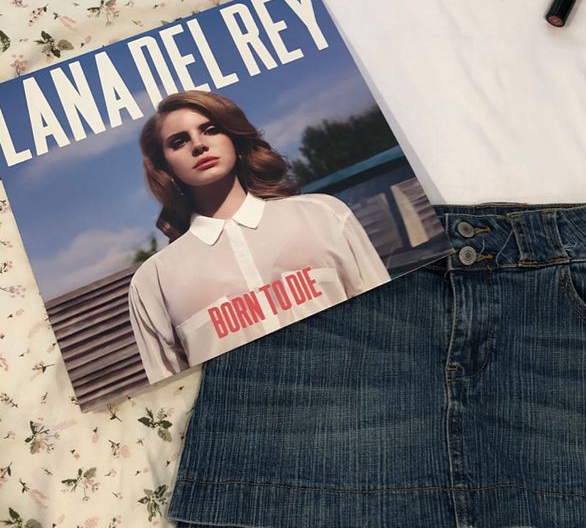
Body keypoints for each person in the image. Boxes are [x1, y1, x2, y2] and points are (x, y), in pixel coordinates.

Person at [128, 90, 390, 382]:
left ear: (235, 139)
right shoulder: (153, 280)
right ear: (165, 167)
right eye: (179, 141)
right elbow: (172, 390)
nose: (199, 145)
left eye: (211, 129)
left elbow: (387, 320)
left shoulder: (324, 215)